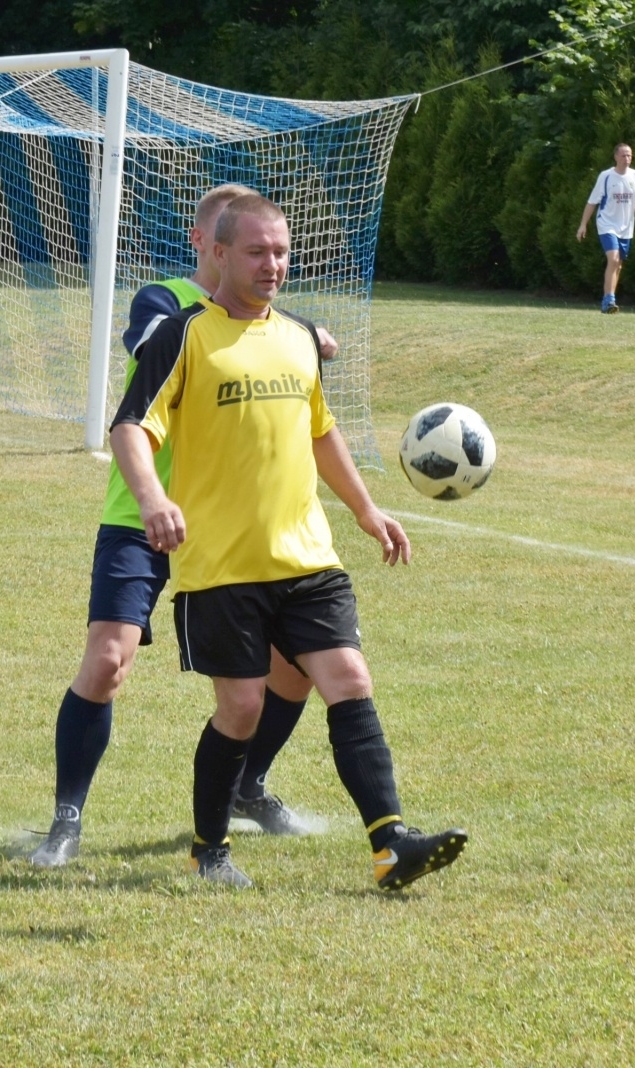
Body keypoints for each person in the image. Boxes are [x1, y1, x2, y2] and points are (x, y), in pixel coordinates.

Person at [109, 193, 468, 891]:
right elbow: (130, 428)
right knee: (241, 708)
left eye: (280, 251)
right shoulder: (183, 335)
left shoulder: (300, 337)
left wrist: (365, 509)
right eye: (256, 251)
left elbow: (320, 429)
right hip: (222, 566)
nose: (271, 264)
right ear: (219, 253)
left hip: (307, 558)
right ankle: (209, 850)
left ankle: (391, 844)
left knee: (349, 680)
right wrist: (152, 498)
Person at [29, 185, 338, 869]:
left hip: (232, 525)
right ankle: (65, 820)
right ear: (208, 242)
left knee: (294, 670)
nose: (261, 259)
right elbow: (152, 343)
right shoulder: (163, 303)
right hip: (140, 515)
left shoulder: (273, 322)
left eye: (271, 248)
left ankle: (249, 784)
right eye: (243, 244)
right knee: (108, 662)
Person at [576, 143, 635, 314]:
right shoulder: (606, 176)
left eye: (629, 155)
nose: (627, 158)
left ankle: (609, 300)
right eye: (624, 155)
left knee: (618, 265)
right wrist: (583, 224)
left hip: (626, 228)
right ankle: (609, 300)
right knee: (613, 259)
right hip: (607, 224)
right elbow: (592, 202)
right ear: (616, 157)